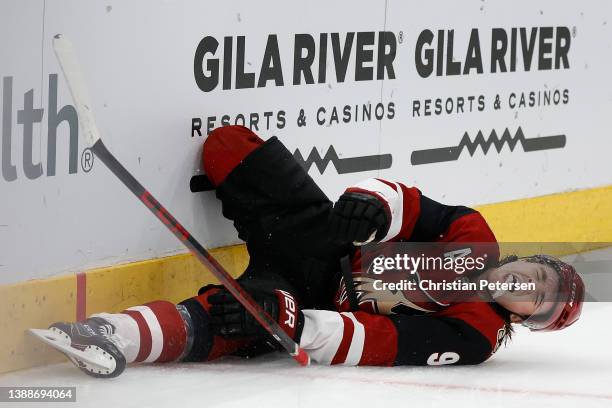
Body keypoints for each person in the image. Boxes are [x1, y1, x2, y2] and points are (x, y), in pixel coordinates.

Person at [42, 126, 585, 378]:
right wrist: (370, 205)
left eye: (536, 302)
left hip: (309, 296)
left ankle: (112, 333)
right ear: (530, 258)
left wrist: (296, 327)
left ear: (524, 320)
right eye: (539, 276)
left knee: (240, 316)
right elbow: (408, 204)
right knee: (229, 147)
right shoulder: (475, 237)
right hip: (321, 234)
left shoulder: (474, 335)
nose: (527, 288)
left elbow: (382, 341)